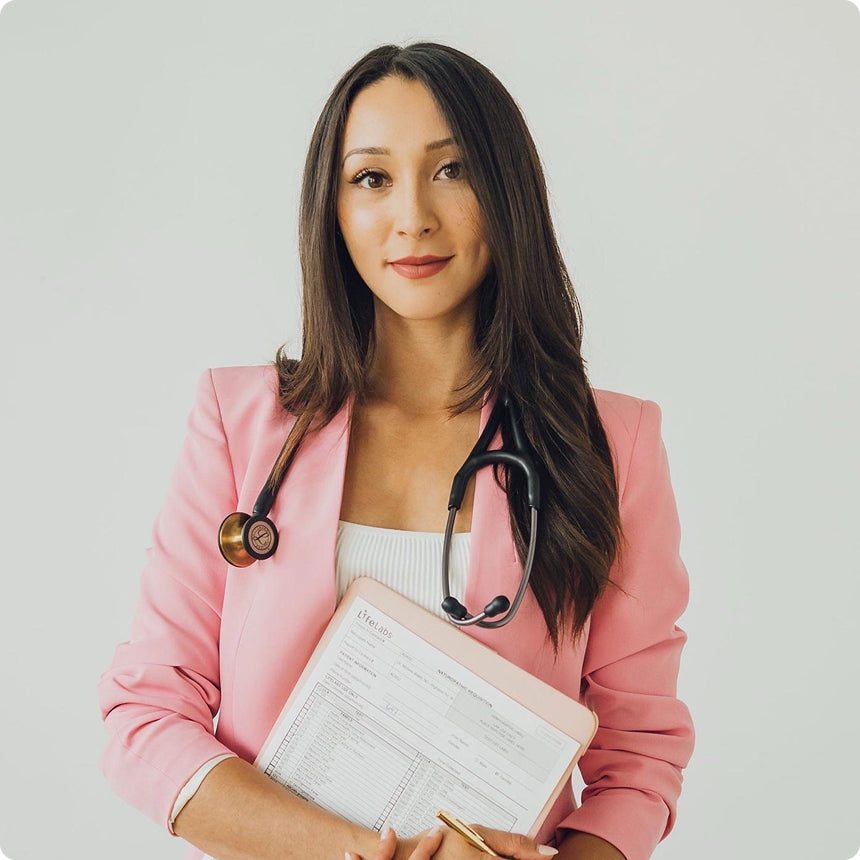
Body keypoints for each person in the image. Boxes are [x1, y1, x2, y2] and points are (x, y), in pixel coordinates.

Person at [97, 42, 694, 860]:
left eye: (452, 170)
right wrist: (360, 853)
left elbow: (640, 759)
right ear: (333, 208)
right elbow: (146, 720)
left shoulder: (610, 443)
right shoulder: (240, 424)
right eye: (372, 177)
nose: (413, 216)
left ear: (507, 192)